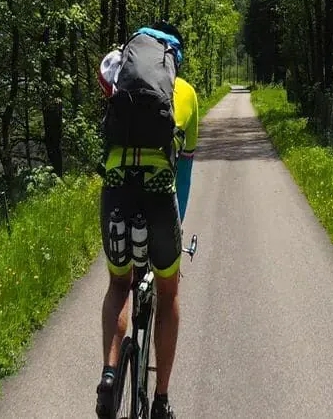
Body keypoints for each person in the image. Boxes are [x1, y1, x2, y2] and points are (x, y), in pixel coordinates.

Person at [94, 21, 198, 419]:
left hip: (116, 190)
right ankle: (161, 401)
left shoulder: (120, 79)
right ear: (172, 59)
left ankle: (108, 374)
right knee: (169, 293)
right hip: (158, 198)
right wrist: (177, 221)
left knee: (119, 282)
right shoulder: (184, 92)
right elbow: (184, 172)